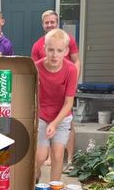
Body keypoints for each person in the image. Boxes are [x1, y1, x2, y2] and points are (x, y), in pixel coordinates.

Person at [31, 10, 81, 171]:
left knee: (58, 155)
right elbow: (30, 92)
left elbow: (68, 103)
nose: (54, 55)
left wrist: (55, 123)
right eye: (50, 50)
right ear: (44, 49)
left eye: (59, 51)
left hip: (61, 116)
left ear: (65, 52)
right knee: (40, 156)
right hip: (41, 115)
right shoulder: (36, 67)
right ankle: (35, 178)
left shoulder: (71, 70)